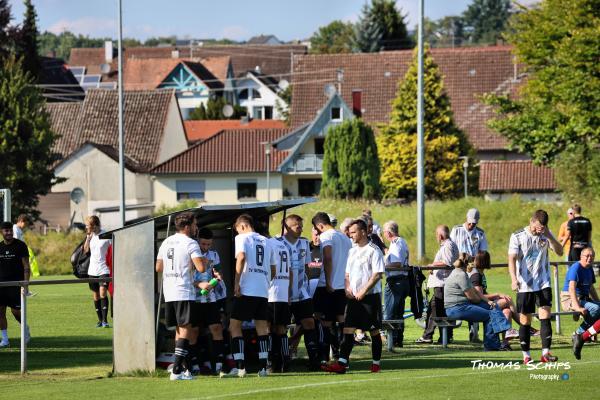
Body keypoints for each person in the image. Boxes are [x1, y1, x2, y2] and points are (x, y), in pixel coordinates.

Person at [322, 219, 384, 374]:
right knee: (348, 330)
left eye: (354, 232)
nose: (351, 235)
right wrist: (348, 288)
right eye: (349, 233)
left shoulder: (374, 250)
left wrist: (363, 290)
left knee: (374, 331)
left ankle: (376, 364)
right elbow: (347, 274)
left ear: (363, 232)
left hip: (370, 298)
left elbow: (377, 274)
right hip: (353, 298)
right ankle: (342, 364)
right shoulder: (352, 250)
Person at [155, 212, 207, 380]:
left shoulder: (166, 241)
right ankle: (176, 370)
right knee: (185, 329)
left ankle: (185, 369)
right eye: (194, 224)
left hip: (169, 291)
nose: (196, 227)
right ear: (187, 226)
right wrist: (203, 261)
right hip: (183, 290)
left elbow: (158, 267)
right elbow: (201, 268)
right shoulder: (191, 243)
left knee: (179, 329)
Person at [508, 209, 563, 364]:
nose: (538, 230)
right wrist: (513, 279)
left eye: (542, 227)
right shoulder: (517, 236)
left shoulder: (546, 234)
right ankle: (526, 356)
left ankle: (546, 353)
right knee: (525, 320)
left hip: (543, 282)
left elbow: (559, 252)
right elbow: (511, 259)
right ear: (531, 221)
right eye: (537, 227)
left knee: (545, 316)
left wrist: (549, 235)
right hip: (525, 284)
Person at [227, 214, 276, 378]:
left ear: (242, 226)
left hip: (247, 289)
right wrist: (266, 281)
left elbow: (241, 257)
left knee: (234, 326)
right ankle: (263, 368)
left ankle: (240, 367)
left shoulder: (242, 238)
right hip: (262, 290)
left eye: (237, 230)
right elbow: (273, 268)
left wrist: (236, 283)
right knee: (262, 328)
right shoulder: (267, 241)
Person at [278, 214, 320, 370]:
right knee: (281, 327)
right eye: (298, 226)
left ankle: (314, 360)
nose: (301, 229)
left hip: (302, 293)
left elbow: (307, 266)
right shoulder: (278, 244)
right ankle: (283, 360)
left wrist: (306, 285)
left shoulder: (304, 243)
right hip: (284, 294)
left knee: (309, 323)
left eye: (302, 226)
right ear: (287, 227)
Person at [311, 212, 352, 364]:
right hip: (342, 287)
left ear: (320, 225)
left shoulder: (326, 236)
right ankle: (341, 356)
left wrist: (328, 281)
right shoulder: (344, 238)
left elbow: (327, 257)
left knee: (324, 322)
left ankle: (323, 357)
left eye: (316, 228)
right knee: (341, 321)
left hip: (327, 286)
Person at [468, 251, 523, 349]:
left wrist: (496, 297)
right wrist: (497, 294)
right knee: (507, 300)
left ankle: (505, 343)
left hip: (484, 302)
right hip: (478, 305)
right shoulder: (476, 275)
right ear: (485, 261)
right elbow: (479, 295)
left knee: (507, 311)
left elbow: (483, 293)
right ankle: (524, 326)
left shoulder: (480, 273)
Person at [191, 228, 227, 376]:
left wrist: (218, 277)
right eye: (203, 244)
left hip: (211, 298)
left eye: (208, 244)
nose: (205, 247)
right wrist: (199, 285)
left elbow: (218, 272)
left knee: (217, 328)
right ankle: (193, 365)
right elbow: (185, 277)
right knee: (193, 331)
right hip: (194, 298)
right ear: (198, 240)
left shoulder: (214, 255)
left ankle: (218, 365)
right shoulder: (191, 253)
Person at [444, 258, 501, 351]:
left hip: (458, 307)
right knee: (490, 315)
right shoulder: (461, 275)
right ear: (466, 264)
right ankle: (491, 346)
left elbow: (475, 293)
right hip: (457, 308)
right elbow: (472, 298)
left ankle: (497, 341)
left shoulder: (457, 272)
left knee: (494, 307)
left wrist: (487, 302)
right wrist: (482, 301)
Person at [450, 208, 488, 342]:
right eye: (470, 222)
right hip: (458, 270)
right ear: (466, 219)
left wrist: (473, 259)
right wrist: (461, 258)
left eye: (474, 223)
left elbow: (483, 253)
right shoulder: (456, 230)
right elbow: (452, 249)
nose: (472, 225)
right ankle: (449, 335)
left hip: (473, 271)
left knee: (476, 298)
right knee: (456, 300)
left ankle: (474, 333)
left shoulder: (481, 233)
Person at [416, 225, 459, 344]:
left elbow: (447, 262)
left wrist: (432, 265)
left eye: (436, 234)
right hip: (443, 283)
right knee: (435, 310)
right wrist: (434, 266)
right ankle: (438, 336)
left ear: (440, 235)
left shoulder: (447, 246)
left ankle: (432, 336)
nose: (436, 237)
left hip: (443, 284)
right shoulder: (450, 245)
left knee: (436, 310)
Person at [0, 221, 31, 348]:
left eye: (10, 231)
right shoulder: (0, 246)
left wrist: (26, 284)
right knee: (0, 312)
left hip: (16, 284)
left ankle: (25, 329)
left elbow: (26, 266)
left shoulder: (20, 246)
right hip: (1, 285)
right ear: (1, 232)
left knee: (16, 312)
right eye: (6, 231)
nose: (9, 233)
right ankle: (5, 340)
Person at [382, 221, 410, 349]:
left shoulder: (397, 243)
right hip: (401, 280)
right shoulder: (400, 242)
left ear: (388, 233)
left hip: (396, 280)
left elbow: (397, 263)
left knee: (391, 312)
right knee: (398, 312)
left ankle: (392, 341)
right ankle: (398, 339)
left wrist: (382, 267)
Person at [561, 247, 600, 336]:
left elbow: (591, 288)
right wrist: (577, 307)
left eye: (592, 256)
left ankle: (588, 334)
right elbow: (571, 289)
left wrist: (598, 301)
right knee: (595, 308)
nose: (590, 258)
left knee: (597, 307)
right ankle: (578, 334)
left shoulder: (589, 268)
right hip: (570, 299)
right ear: (581, 256)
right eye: (587, 256)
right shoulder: (576, 268)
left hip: (584, 299)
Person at [267, 235, 292, 373]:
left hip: (271, 292)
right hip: (282, 292)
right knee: (281, 329)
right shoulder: (283, 245)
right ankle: (285, 361)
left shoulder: (267, 244)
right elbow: (290, 271)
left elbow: (271, 269)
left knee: (267, 328)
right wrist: (288, 293)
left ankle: (270, 362)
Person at [83, 216, 111, 328]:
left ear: (94, 225)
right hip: (92, 270)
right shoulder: (91, 236)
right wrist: (88, 238)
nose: (86, 227)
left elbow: (115, 247)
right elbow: (85, 250)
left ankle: (105, 320)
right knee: (95, 295)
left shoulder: (106, 235)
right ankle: (99, 320)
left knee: (103, 292)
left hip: (104, 269)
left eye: (87, 225)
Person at [13, 214, 39, 279]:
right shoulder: (15, 229)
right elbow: (15, 242)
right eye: (26, 224)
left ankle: (23, 288)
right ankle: (22, 287)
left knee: (25, 270)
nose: (26, 226)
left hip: (21, 253)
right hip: (18, 255)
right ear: (21, 221)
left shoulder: (19, 229)